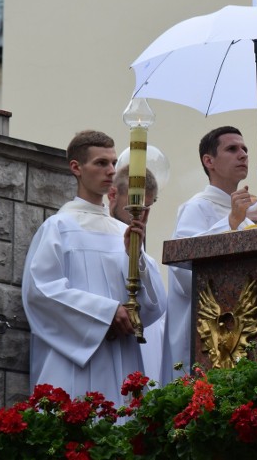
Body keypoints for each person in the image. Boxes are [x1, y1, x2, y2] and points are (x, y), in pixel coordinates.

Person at [22, 130, 166, 408]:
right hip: (76, 361)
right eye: (101, 163)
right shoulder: (59, 227)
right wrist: (106, 312)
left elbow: (154, 306)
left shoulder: (123, 232)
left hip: (123, 357)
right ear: (76, 168)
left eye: (113, 163)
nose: (111, 170)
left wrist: (135, 258)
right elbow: (41, 293)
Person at [160, 126, 257, 384]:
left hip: (242, 336)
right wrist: (230, 224)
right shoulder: (196, 208)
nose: (242, 154)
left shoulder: (247, 219)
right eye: (232, 149)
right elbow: (182, 273)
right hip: (204, 342)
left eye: (245, 149)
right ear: (209, 162)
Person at [107, 164, 167, 386]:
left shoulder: (147, 260)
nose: (142, 216)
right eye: (136, 206)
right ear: (112, 195)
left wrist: (137, 256)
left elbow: (157, 307)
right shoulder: (88, 238)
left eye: (147, 208)